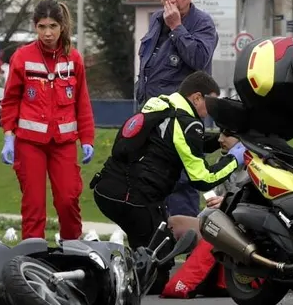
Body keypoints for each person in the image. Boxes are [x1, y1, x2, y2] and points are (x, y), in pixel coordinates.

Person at [91, 71, 245, 280]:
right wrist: (235, 158)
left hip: (108, 189)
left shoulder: (163, 106)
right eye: (210, 103)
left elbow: (183, 143)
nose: (210, 111)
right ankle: (106, 280)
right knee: (156, 274)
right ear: (197, 98)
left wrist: (219, 139)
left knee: (145, 258)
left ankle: (121, 272)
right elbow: (202, 179)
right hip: (135, 199)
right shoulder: (187, 123)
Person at [0, 0, 96, 241]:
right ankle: (33, 256)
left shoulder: (73, 59)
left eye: (53, 26)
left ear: (62, 26)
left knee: (68, 200)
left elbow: (82, 102)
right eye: (42, 26)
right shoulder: (22, 57)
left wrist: (88, 139)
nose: (48, 33)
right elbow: (10, 101)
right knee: (33, 204)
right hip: (29, 143)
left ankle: (73, 248)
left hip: (63, 143)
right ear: (35, 27)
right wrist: (8, 137)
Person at [134, 0, 219, 224]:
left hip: (182, 120)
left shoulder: (202, 23)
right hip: (152, 117)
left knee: (181, 183)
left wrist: (176, 27)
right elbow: (147, 68)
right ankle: (157, 245)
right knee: (151, 180)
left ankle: (187, 245)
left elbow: (199, 60)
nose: (172, 0)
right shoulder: (155, 20)